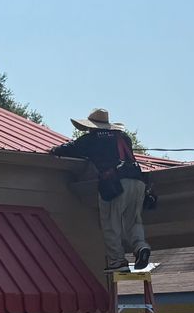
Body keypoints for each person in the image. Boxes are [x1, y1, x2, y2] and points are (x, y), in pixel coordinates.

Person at [51, 107, 151, 271]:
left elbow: (69, 148)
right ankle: (141, 247)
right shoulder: (123, 137)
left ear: (91, 126)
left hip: (116, 183)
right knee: (133, 220)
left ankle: (117, 261)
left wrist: (54, 150)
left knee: (111, 222)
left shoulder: (91, 139)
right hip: (138, 181)